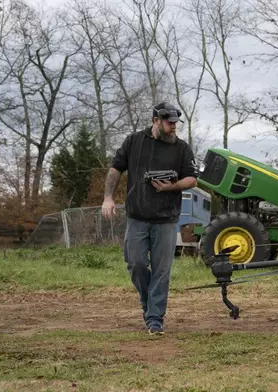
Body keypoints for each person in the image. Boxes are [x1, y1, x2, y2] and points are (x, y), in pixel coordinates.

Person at [102, 102, 198, 335]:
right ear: (156, 121)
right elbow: (116, 168)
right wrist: (108, 198)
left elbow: (193, 179)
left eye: (176, 122)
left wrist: (171, 186)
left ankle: (155, 318)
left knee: (162, 270)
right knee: (135, 263)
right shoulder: (134, 141)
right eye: (169, 122)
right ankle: (148, 303)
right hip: (137, 216)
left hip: (166, 218)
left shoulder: (182, 148)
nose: (174, 126)